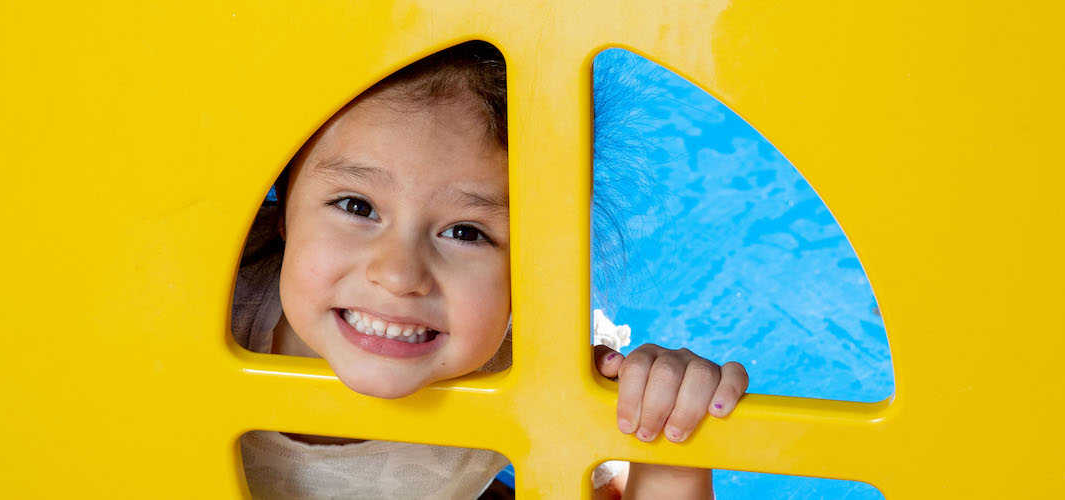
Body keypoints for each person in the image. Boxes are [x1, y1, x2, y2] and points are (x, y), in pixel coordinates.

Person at [230, 41, 749, 499]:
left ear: (534, 266)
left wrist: (669, 436)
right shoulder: (211, 307)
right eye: (356, 206)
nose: (399, 275)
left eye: (465, 232)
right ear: (281, 206)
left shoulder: (536, 364)